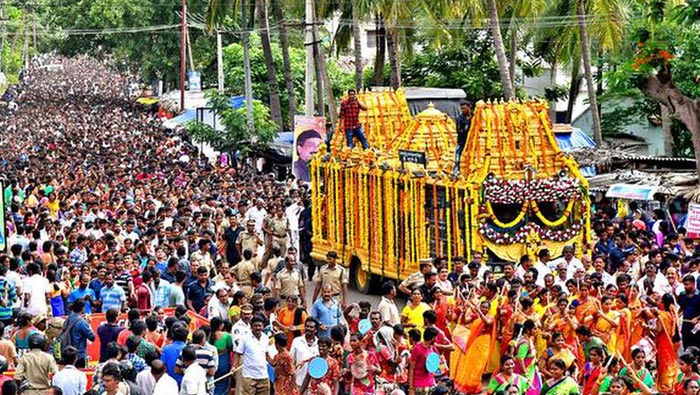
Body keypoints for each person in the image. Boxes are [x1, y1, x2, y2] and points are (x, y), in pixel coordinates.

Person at [232, 315, 270, 395]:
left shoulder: (266, 338)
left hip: (263, 376)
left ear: (263, 326)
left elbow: (266, 355)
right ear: (251, 326)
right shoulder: (245, 338)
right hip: (249, 377)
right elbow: (238, 353)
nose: (258, 328)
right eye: (255, 326)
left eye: (260, 326)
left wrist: (275, 362)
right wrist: (234, 366)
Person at [63, 298, 96, 368]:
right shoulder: (81, 322)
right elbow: (92, 337)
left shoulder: (68, 319)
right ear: (82, 308)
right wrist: (88, 323)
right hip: (79, 354)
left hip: (67, 352)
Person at [409, 326, 440, 395]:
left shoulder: (433, 348)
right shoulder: (417, 349)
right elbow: (411, 368)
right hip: (418, 386)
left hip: (431, 384)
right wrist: (411, 388)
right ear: (433, 338)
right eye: (436, 337)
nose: (436, 339)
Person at [290, 317, 320, 388]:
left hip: (313, 385)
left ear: (315, 330)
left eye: (311, 327)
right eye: (307, 326)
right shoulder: (296, 341)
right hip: (298, 382)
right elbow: (291, 361)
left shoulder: (320, 344)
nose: (308, 328)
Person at [452, 101, 472, 175]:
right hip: (462, 141)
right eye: (462, 109)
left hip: (471, 141)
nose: (463, 110)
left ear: (469, 107)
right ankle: (456, 172)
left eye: (464, 108)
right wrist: (465, 129)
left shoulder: (474, 117)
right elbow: (458, 130)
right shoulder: (460, 118)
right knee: (458, 158)